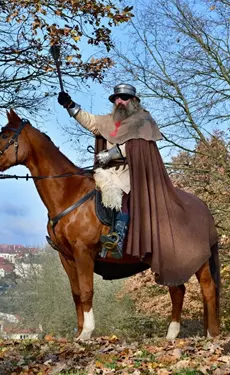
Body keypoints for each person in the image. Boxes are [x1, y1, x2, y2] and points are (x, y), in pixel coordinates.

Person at [56, 83, 217, 287]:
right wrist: (70, 105)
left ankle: (117, 237)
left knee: (121, 195)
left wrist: (112, 153)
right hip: (107, 172)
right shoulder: (108, 121)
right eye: (116, 99)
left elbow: (135, 144)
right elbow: (91, 121)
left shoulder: (143, 120)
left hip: (132, 173)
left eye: (123, 98)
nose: (119, 101)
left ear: (133, 101)